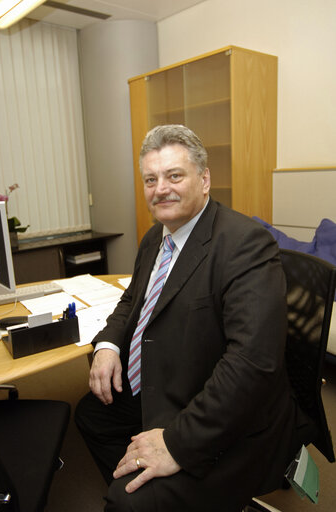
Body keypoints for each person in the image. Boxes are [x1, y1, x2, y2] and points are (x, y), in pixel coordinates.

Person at [75, 124, 311, 512]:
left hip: (229, 414)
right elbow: (133, 299)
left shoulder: (245, 244)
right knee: (91, 416)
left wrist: (175, 445)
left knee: (125, 502)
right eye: (150, 179)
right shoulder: (156, 237)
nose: (160, 189)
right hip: (171, 375)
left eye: (174, 176)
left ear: (204, 180)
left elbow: (252, 365)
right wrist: (107, 344)